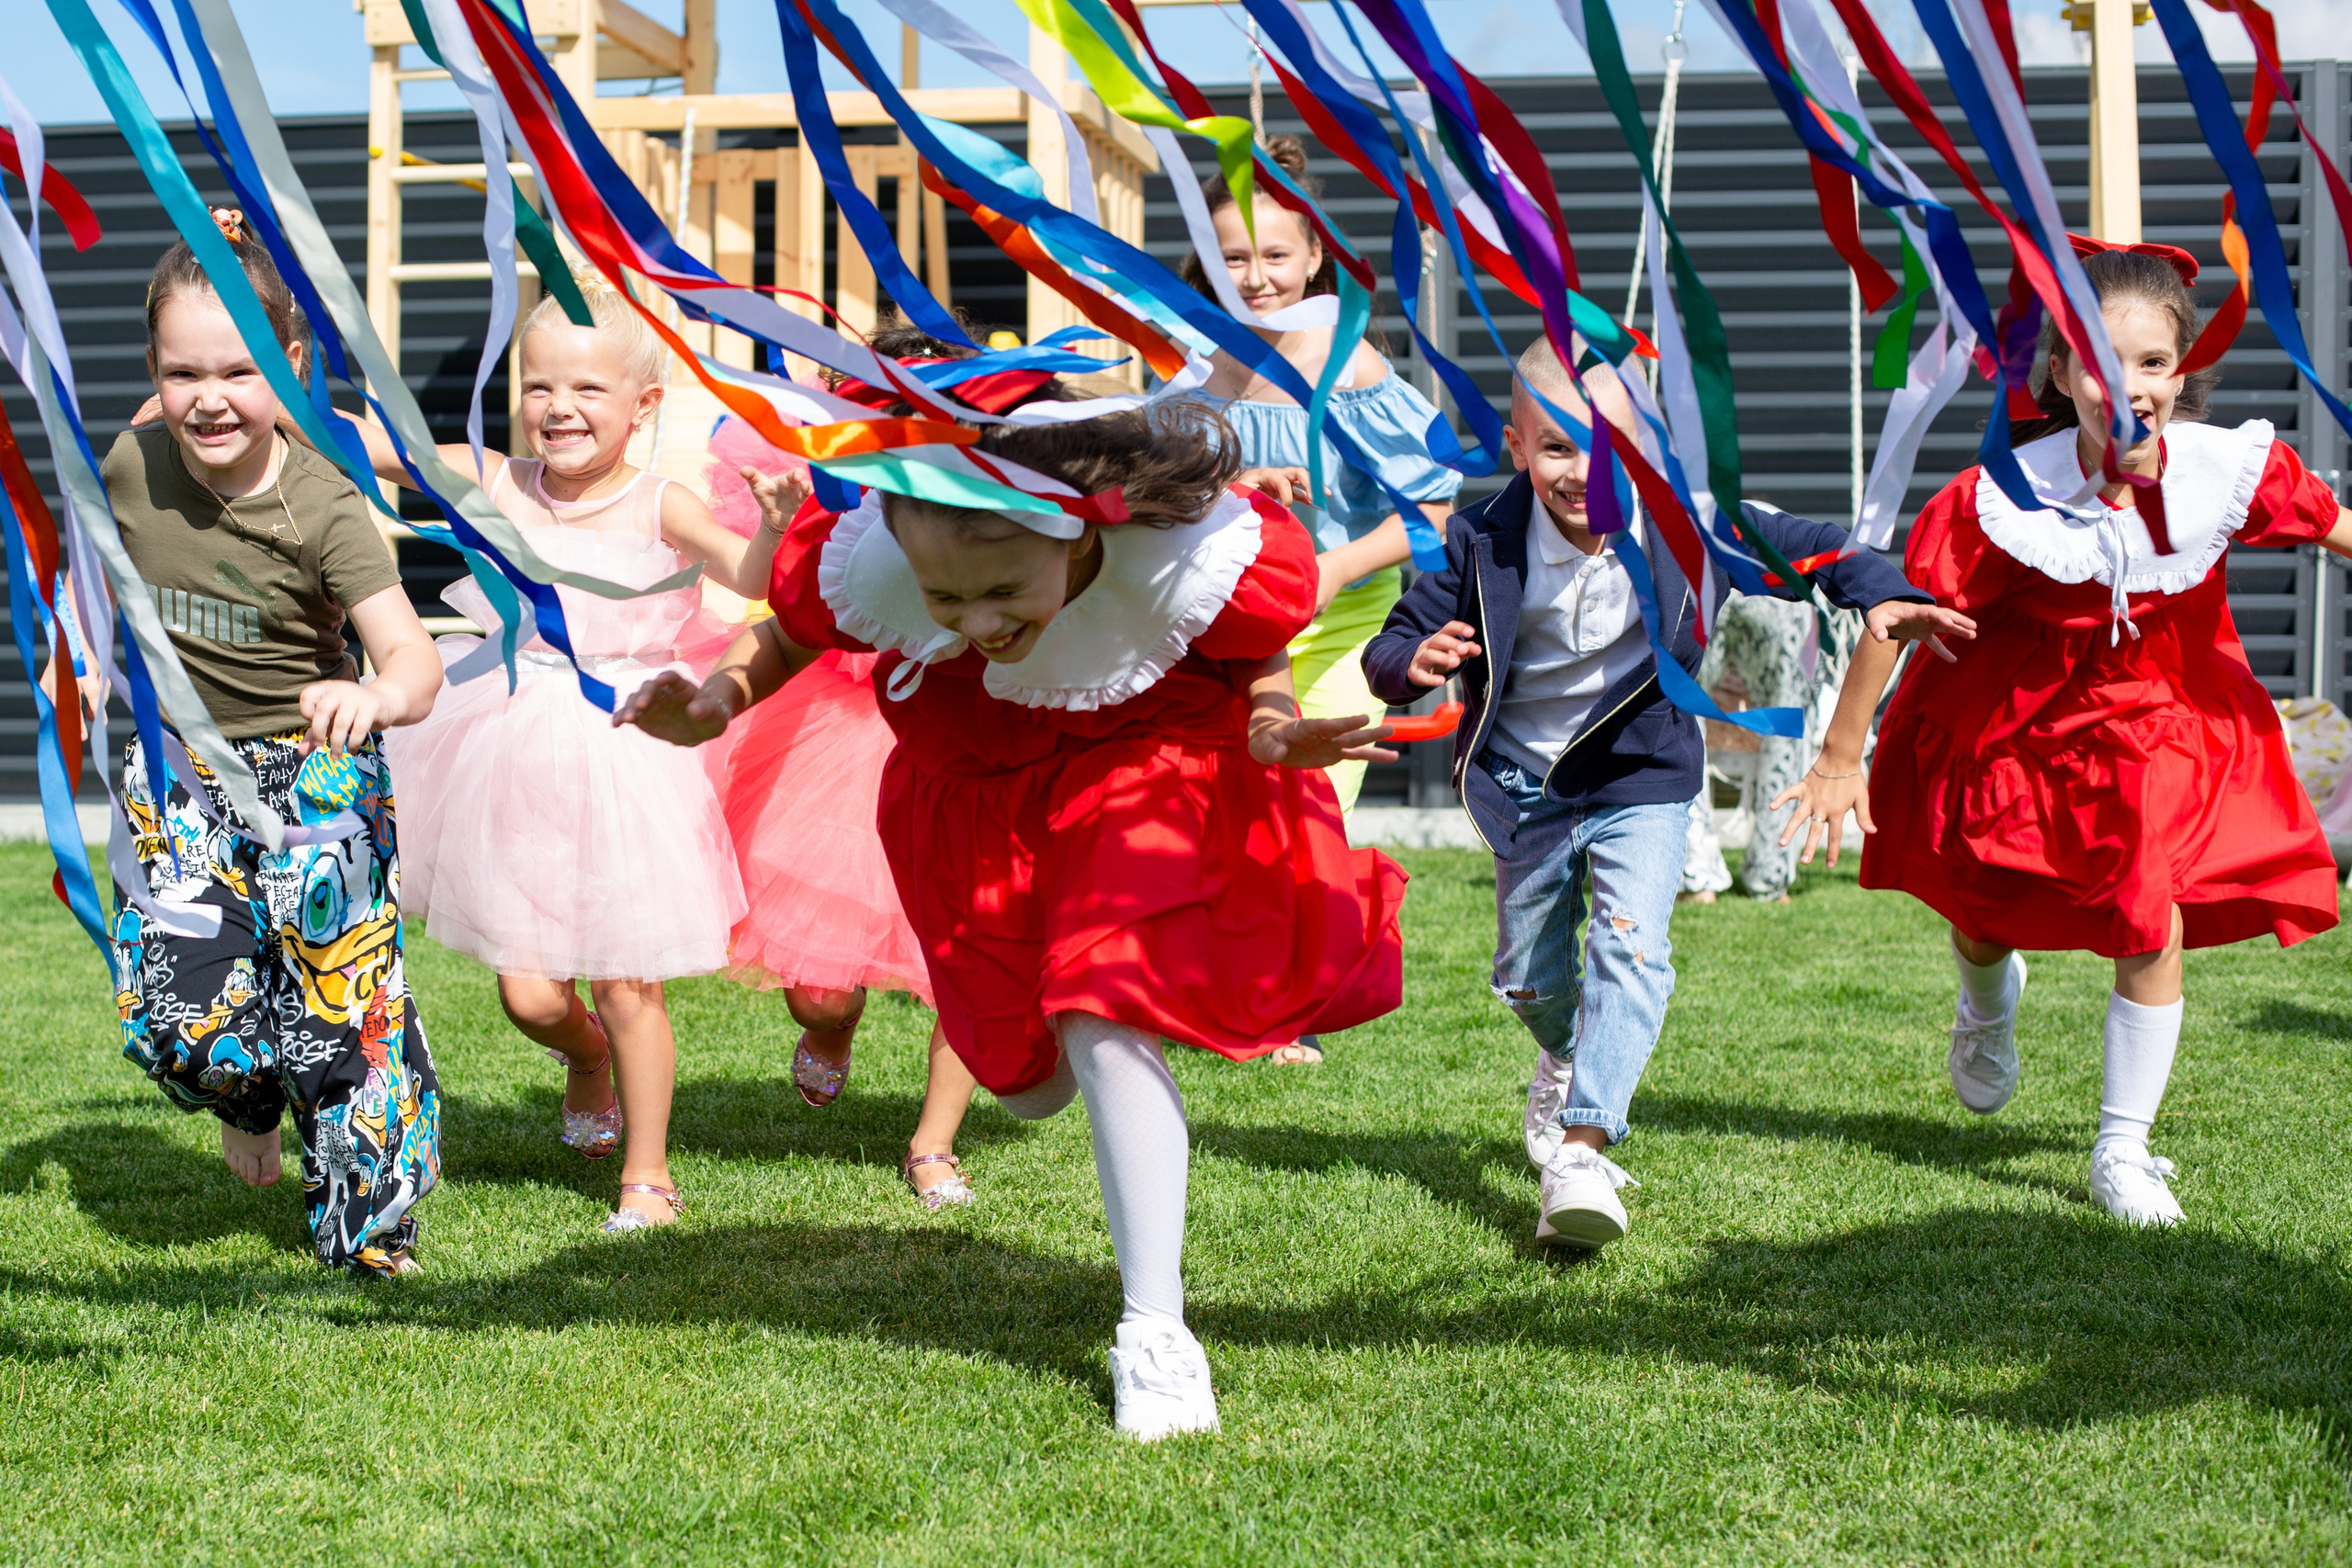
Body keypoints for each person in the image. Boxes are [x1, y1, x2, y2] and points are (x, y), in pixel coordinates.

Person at [618, 385, 1406, 1440]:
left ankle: (1155, 1331)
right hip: (975, 798)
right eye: (946, 603)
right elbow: (795, 633)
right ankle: (1047, 1069)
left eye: (1000, 591)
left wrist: (1271, 724)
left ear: (1075, 529)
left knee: (1100, 1001)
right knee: (1026, 1082)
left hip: (1144, 766)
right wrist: (715, 700)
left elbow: (1252, 644)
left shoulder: (1186, 556)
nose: (977, 625)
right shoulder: (882, 556)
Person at [1778, 241, 2352, 1228]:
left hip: (2161, 724)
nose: (2124, 386)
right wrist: (1840, 754)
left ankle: (2119, 1149)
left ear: (2182, 370)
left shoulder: (2227, 466)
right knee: (1984, 908)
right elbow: (1900, 614)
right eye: (2095, 359)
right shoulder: (2003, 493)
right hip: (2017, 726)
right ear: (2054, 371)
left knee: (2150, 911)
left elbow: (2335, 524)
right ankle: (1985, 1000)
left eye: (2151, 363)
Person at [1363, 338, 1969, 1248]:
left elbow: (1822, 551)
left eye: (1612, 444)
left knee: (1630, 944)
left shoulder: (1692, 524)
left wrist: (1882, 593)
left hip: (1641, 777)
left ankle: (1583, 1145)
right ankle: (1565, 1055)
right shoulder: (1479, 539)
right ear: (1516, 447)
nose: (1585, 469)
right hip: (1524, 786)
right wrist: (1406, 666)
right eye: (1559, 446)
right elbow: (1397, 639)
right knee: (1527, 980)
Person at [350, 270, 802, 1234]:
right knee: (526, 993)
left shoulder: (660, 503)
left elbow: (751, 577)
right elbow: (372, 446)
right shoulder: (500, 478)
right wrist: (269, 386)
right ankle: (583, 1058)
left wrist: (770, 523)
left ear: (641, 407)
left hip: (627, 746)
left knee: (625, 976)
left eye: (587, 390)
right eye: (541, 386)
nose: (559, 408)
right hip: (507, 737)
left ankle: (646, 1172)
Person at [101, 209, 445, 1277]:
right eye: (183, 371)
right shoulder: (128, 460)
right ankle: (249, 1100)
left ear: (289, 367)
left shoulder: (323, 504)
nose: (210, 398)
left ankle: (370, 1228)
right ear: (153, 371)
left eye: (241, 370)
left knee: (339, 1008)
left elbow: (416, 663)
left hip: (314, 769)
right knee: (172, 1012)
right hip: (179, 766)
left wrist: (371, 694)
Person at [1181, 134, 1461, 1066]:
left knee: (1308, 808)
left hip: (1340, 624)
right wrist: (1227, 477)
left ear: (1313, 258)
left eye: (1273, 255)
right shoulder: (1196, 371)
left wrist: (1337, 569)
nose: (1254, 277)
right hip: (1223, 630)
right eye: (1232, 258)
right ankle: (1195, 983)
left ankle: (1283, 1006)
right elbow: (1147, 483)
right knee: (1209, 813)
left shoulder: (1353, 370)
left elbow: (1430, 507)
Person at [706, 397, 978, 1212]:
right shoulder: (833, 481)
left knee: (966, 956)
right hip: (833, 720)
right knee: (814, 985)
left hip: (964, 730)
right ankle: (831, 1022)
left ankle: (934, 1141)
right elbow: (787, 612)